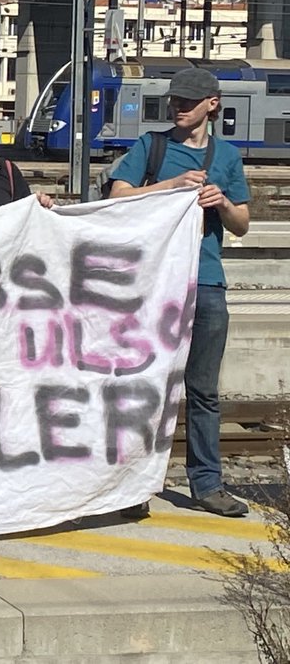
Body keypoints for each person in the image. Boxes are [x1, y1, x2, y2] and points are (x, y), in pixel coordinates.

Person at [109, 68, 250, 519]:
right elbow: (118, 197)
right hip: (154, 285)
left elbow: (242, 224)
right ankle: (127, 483)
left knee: (203, 391)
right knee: (141, 383)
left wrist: (222, 203)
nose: (178, 107)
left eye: (188, 101)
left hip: (206, 282)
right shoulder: (151, 147)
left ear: (212, 103)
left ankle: (207, 484)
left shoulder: (226, 156)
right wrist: (171, 187)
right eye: (174, 100)